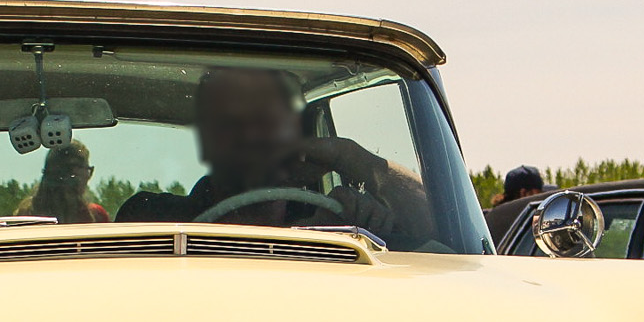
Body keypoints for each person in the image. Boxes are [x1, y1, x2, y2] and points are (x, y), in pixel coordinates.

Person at [115, 65, 434, 244]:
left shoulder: (339, 219)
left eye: (269, 123)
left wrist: (353, 157)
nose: (253, 137)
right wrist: (308, 241)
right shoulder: (153, 215)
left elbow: (440, 236)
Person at [16, 140, 109, 225]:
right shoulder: (96, 216)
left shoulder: (26, 215)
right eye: (87, 170)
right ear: (74, 172)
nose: (88, 176)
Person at [482, 164, 548, 250]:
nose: (541, 198)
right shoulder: (525, 221)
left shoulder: (487, 219)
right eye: (538, 193)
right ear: (524, 193)